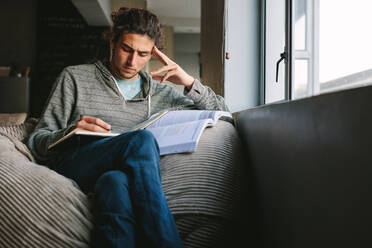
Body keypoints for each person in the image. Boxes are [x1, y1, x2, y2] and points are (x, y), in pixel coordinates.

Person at [27, 7, 229, 248]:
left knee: (114, 183)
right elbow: (37, 140)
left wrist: (188, 82)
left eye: (143, 54)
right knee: (141, 141)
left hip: (112, 175)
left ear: (153, 53)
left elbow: (223, 111)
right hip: (76, 162)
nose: (133, 61)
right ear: (113, 41)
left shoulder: (159, 92)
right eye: (126, 49)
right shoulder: (75, 77)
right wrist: (69, 131)